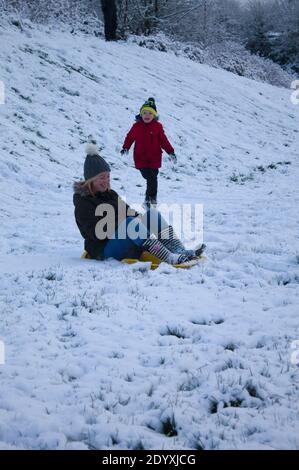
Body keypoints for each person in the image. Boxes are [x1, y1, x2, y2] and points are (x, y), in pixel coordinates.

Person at [73, 142, 203, 265]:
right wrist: (123, 223)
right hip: (103, 250)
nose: (106, 181)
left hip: (123, 239)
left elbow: (128, 211)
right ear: (90, 179)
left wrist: (140, 219)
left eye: (108, 176)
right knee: (130, 223)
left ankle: (179, 250)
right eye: (102, 177)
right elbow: (95, 233)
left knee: (151, 215)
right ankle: (170, 258)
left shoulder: (110, 194)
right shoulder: (83, 202)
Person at [121, 97, 176, 208]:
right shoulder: (136, 126)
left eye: (150, 113)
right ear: (141, 114)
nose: (147, 115)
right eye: (144, 112)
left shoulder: (157, 127)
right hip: (140, 158)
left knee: (153, 178)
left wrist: (170, 151)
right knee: (150, 178)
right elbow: (130, 137)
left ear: (154, 115)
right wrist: (126, 147)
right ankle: (149, 200)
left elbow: (163, 140)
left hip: (154, 158)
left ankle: (149, 200)